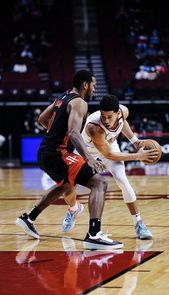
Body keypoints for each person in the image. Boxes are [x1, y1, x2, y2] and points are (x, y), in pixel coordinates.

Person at [15, 70, 123, 250]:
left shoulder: (62, 97)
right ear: (85, 85)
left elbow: (42, 119)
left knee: (66, 185)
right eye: (94, 85)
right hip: (58, 154)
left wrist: (55, 134)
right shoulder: (80, 103)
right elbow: (73, 133)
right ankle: (94, 235)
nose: (94, 90)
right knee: (99, 183)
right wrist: (88, 158)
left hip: (44, 153)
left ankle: (29, 218)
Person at [62, 95, 159, 239]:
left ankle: (139, 223)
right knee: (67, 187)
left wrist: (135, 141)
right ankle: (74, 209)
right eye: (103, 116)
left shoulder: (123, 112)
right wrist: (138, 156)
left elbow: (122, 123)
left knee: (123, 181)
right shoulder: (94, 127)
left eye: (109, 117)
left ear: (118, 113)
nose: (106, 121)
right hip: (86, 151)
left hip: (109, 145)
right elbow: (109, 155)